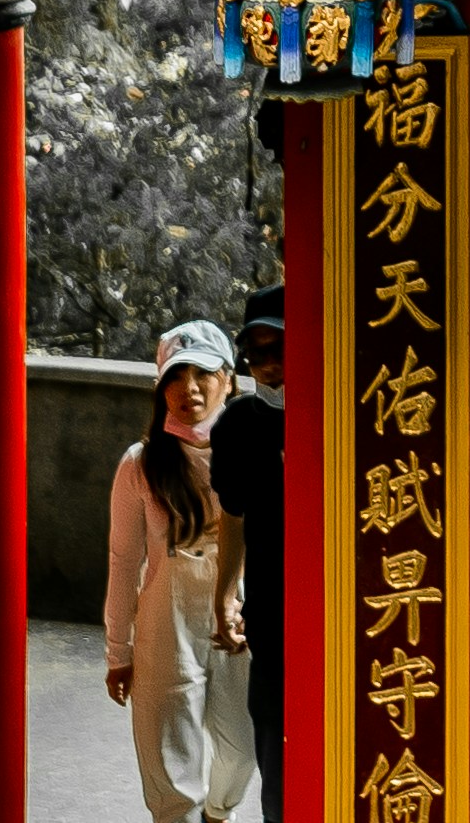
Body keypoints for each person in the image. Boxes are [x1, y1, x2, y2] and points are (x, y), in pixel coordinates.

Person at [104, 320, 254, 823]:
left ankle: (219, 811)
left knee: (243, 748)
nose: (188, 388)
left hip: (237, 620)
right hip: (165, 630)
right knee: (171, 773)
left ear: (229, 380)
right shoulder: (140, 464)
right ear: (159, 386)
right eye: (175, 375)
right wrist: (118, 651)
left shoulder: (256, 456)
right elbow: (123, 563)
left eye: (203, 373)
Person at [209, 286, 291, 820]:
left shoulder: (348, 410)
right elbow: (233, 519)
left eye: (277, 348)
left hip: (348, 619)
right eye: (254, 354)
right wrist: (225, 596)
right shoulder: (236, 425)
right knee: (277, 767)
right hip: (273, 614)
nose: (266, 365)